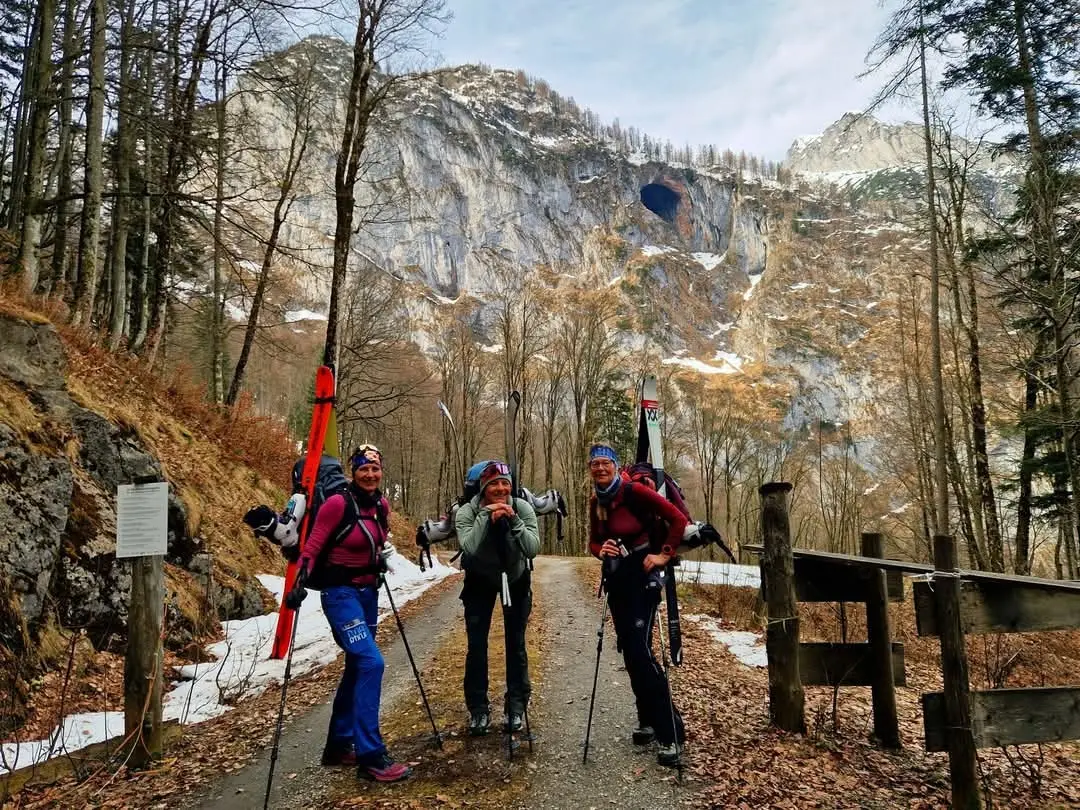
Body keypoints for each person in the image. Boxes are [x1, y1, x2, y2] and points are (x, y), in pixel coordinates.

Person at [285, 444, 411, 783]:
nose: (370, 474)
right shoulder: (337, 504)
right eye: (363, 469)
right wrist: (297, 583)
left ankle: (339, 745)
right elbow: (312, 547)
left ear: (381, 471)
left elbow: (376, 542)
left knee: (357, 666)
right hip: (340, 596)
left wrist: (378, 563)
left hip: (368, 594)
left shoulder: (381, 505)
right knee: (372, 662)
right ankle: (371, 755)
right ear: (353, 472)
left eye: (375, 468)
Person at [586, 443, 688, 768]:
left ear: (615, 466)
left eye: (606, 463)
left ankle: (671, 732)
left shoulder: (634, 492)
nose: (600, 469)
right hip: (617, 579)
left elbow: (678, 518)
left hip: (644, 577)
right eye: (595, 464)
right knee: (631, 653)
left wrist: (663, 554)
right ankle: (646, 719)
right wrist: (601, 550)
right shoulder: (597, 501)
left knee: (640, 652)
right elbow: (593, 539)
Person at [454, 460, 540, 736]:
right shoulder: (466, 512)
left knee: (516, 644)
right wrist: (485, 516)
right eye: (493, 485)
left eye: (505, 484)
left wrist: (513, 518)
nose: (500, 489)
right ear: (483, 488)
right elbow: (469, 547)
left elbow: (532, 548)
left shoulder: (523, 506)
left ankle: (516, 707)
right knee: (476, 646)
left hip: (515, 578)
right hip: (479, 580)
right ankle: (478, 709)